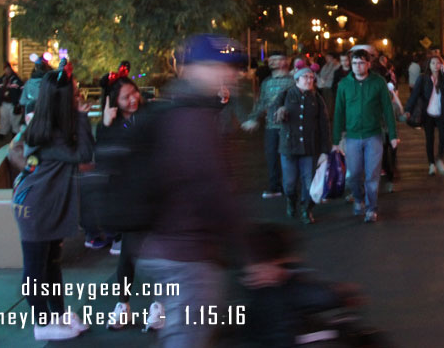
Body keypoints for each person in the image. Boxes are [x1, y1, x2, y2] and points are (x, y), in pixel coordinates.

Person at [137, 34, 247, 347]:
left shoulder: (183, 107)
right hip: (187, 254)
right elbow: (212, 189)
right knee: (186, 338)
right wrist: (247, 254)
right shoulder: (192, 117)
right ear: (196, 68)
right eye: (221, 66)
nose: (231, 74)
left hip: (169, 247)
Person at [12, 67, 94, 341]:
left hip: (44, 203)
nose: (78, 93)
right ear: (61, 98)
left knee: (51, 264)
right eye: (74, 91)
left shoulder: (52, 125)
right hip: (36, 207)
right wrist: (83, 115)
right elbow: (84, 153)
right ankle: (42, 322)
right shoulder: (50, 132)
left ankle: (58, 314)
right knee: (36, 267)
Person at [95, 77, 165, 331]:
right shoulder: (110, 125)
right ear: (115, 102)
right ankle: (123, 305)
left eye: (134, 93)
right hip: (130, 198)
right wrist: (106, 124)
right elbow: (103, 156)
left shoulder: (150, 116)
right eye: (126, 97)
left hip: (156, 193)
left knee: (160, 253)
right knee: (129, 252)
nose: (133, 99)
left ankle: (159, 305)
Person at [333, 48, 398, 223]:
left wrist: (393, 135)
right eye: (354, 63)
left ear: (368, 64)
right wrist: (336, 140)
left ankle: (371, 208)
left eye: (361, 63)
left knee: (372, 175)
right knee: (354, 174)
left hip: (373, 135)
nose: (357, 66)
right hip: (352, 137)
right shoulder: (344, 85)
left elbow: (387, 110)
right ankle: (359, 198)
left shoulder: (378, 83)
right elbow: (338, 112)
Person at [273, 66, 331, 224]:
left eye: (311, 77)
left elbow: (324, 124)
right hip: (289, 146)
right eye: (305, 77)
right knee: (289, 183)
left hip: (310, 147)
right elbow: (273, 112)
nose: (309, 80)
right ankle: (291, 200)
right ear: (297, 80)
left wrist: (326, 149)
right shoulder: (285, 95)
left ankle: (307, 209)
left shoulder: (317, 98)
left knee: (309, 182)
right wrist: (279, 112)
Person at [243, 53, 293, 199]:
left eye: (276, 60)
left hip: (288, 126)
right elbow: (262, 102)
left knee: (288, 157)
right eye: (271, 60)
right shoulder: (267, 82)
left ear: (285, 61)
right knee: (271, 157)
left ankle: (289, 187)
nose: (272, 63)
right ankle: (274, 186)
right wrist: (253, 118)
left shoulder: (292, 81)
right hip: (271, 126)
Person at [405, 54, 444, 175]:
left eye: (438, 63)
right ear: (428, 65)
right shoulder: (423, 78)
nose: (435, 65)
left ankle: (440, 159)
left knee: (443, 138)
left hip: (441, 112)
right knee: (430, 139)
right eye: (433, 63)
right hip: (427, 113)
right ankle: (431, 164)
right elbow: (414, 95)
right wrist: (408, 110)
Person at [0, 61, 23, 140]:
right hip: (3, 102)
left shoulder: (17, 80)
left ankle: (15, 133)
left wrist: (19, 102)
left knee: (14, 118)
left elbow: (21, 90)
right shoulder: (0, 80)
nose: (7, 71)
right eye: (6, 69)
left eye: (8, 69)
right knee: (4, 118)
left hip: (13, 103)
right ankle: (2, 133)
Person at [19, 56, 51, 125]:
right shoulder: (49, 83)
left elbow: (22, 101)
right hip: (46, 113)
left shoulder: (28, 83)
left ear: (35, 68)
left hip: (30, 113)